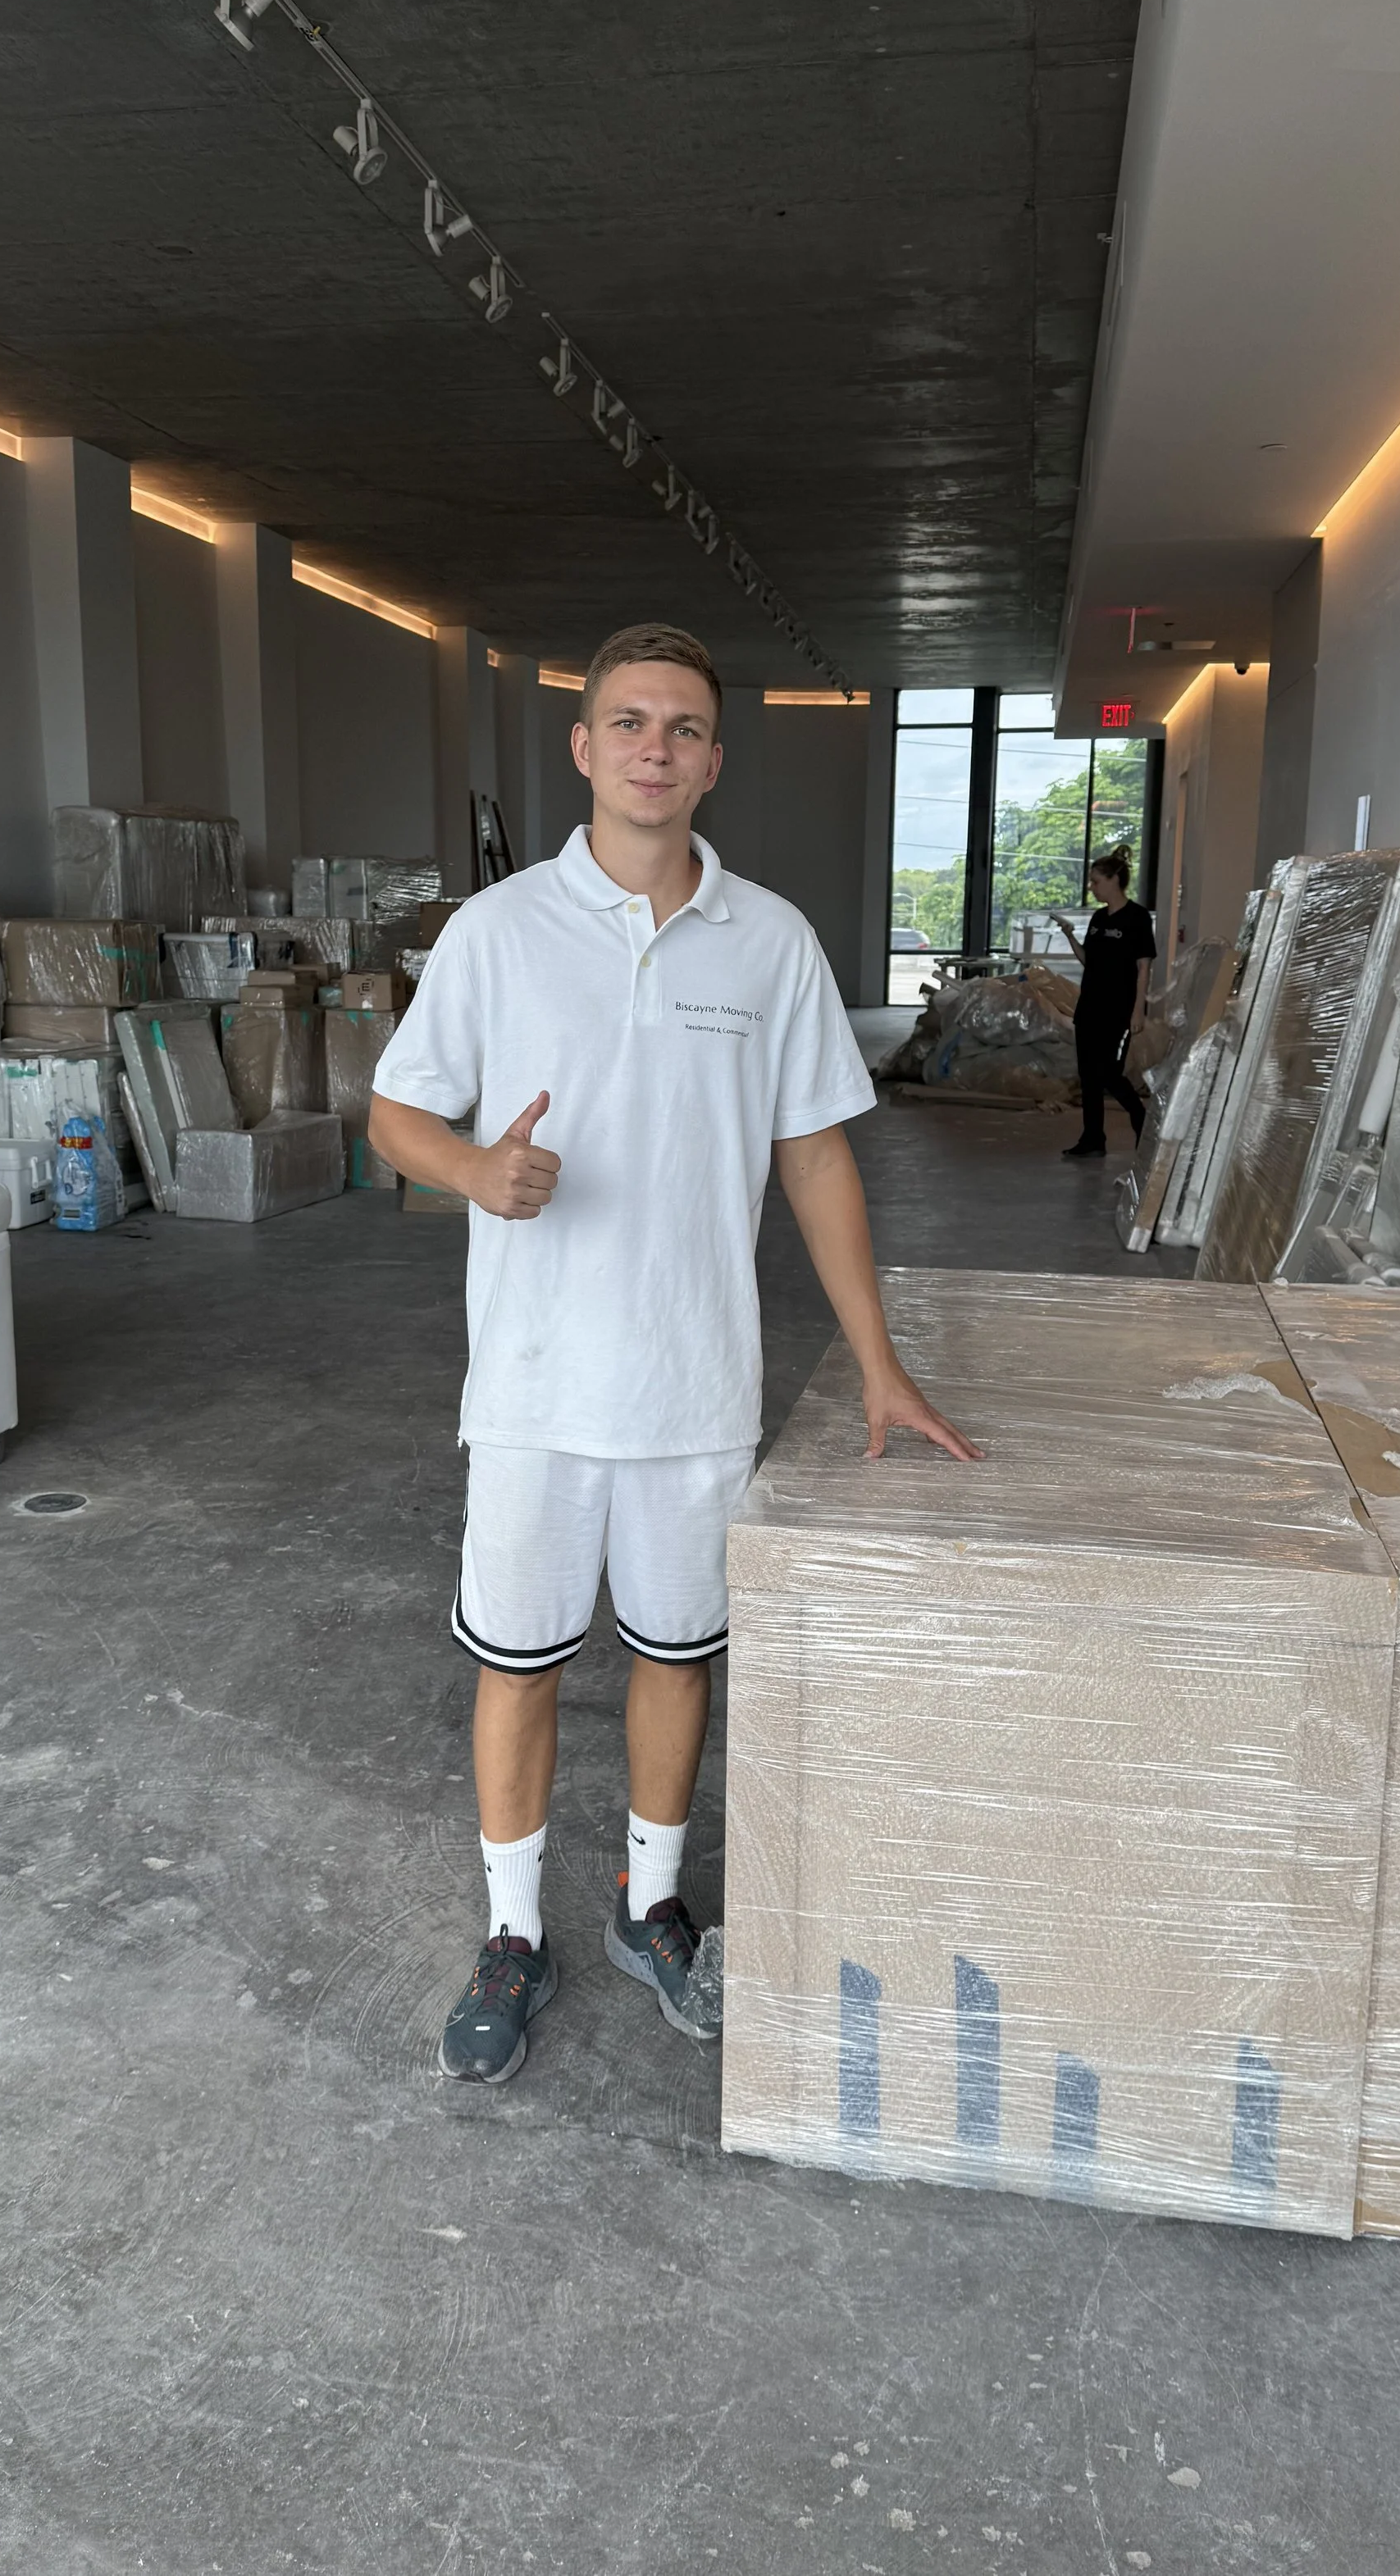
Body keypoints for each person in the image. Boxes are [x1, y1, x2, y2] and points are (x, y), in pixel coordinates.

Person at [367, 621, 978, 2087]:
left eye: (685, 727)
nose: (656, 746)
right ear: (584, 748)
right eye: (629, 721)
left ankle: (651, 1907)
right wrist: (472, 1172)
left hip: (697, 1388)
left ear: (714, 758)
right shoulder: (497, 928)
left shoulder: (768, 941)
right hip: (529, 1393)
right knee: (517, 1664)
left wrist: (878, 1360)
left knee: (676, 1656)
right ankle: (513, 1933)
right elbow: (397, 1113)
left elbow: (819, 1159)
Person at [1053, 845, 1156, 1158]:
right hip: (1090, 1008)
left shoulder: (1137, 918)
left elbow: (1143, 968)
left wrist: (1138, 1010)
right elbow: (1090, 961)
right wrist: (1071, 937)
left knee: (1109, 1073)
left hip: (1119, 1010)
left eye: (1096, 881)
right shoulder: (1098, 918)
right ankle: (1093, 1138)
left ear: (1114, 880)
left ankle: (1142, 1118)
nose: (1092, 887)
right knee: (1089, 1075)